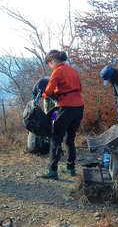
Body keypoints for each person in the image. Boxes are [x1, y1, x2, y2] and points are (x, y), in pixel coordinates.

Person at [40, 50, 84, 180]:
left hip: (65, 108)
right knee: (70, 139)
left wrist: (44, 95)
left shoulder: (57, 71)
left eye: (49, 63)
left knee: (55, 137)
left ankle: (52, 171)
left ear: (52, 61)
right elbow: (80, 88)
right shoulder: (73, 70)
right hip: (79, 107)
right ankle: (71, 168)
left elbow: (48, 91)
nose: (50, 66)